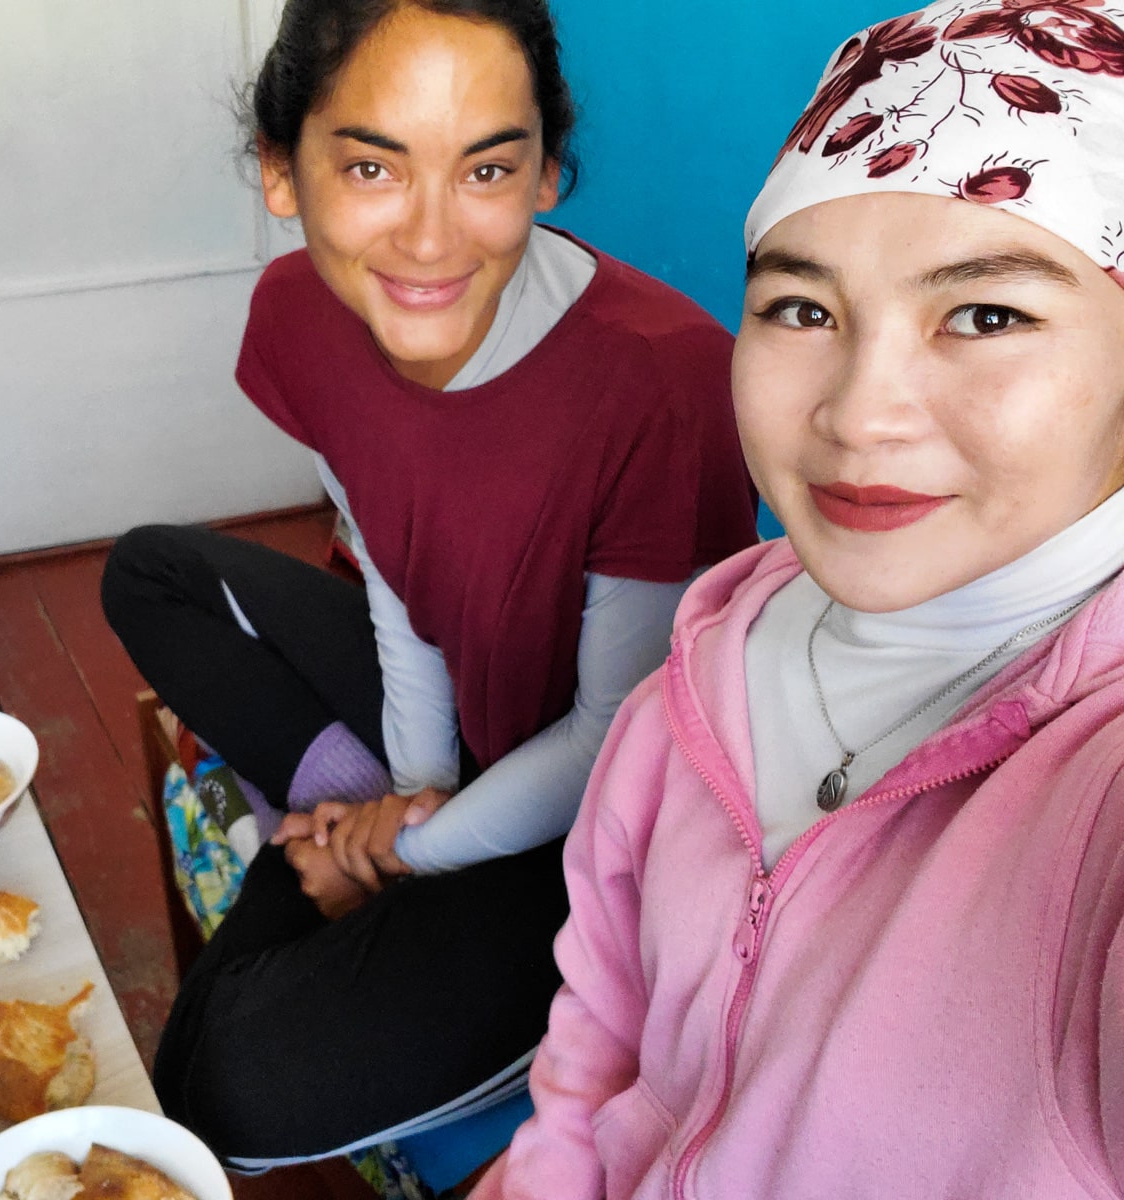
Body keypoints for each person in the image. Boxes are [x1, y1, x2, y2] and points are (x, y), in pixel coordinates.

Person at [472, 3, 1124, 1197]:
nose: (857, 416)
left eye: (986, 314)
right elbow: (593, 1039)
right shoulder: (711, 656)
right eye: (802, 310)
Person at [100, 0, 757, 1168]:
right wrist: (409, 792)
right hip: (449, 719)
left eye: (486, 167)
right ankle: (344, 822)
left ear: (548, 173)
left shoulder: (662, 380)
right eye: (370, 165)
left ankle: (328, 859)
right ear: (281, 172)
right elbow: (392, 576)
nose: (429, 238)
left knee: (213, 1093)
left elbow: (619, 735)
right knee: (149, 572)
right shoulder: (300, 313)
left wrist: (405, 850)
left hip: (596, 823)